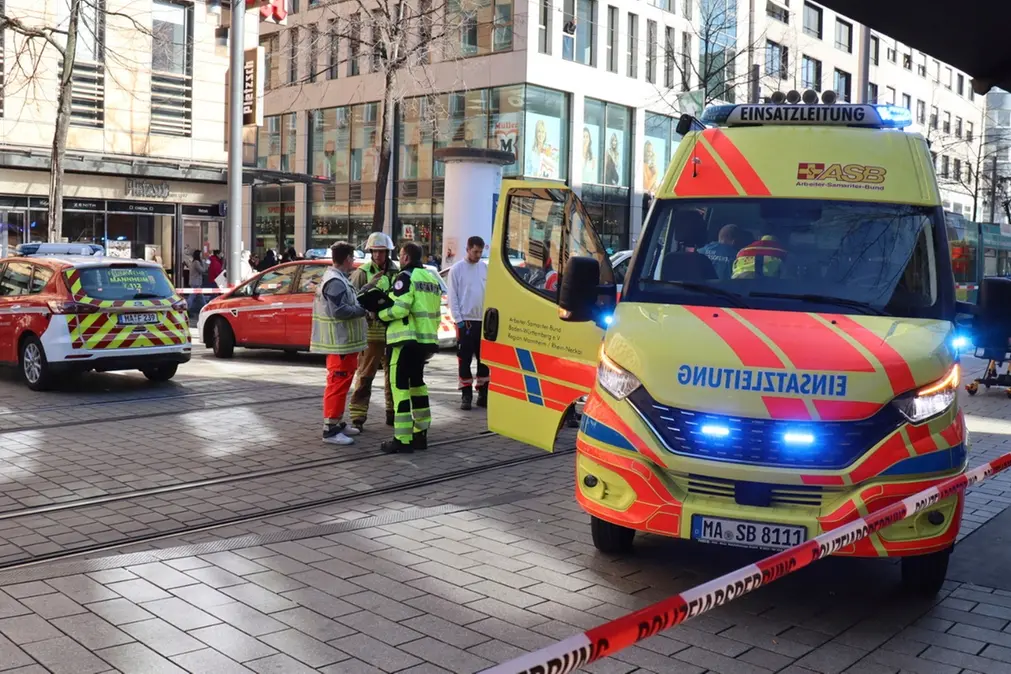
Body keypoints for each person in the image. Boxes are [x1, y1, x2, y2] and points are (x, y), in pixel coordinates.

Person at [377, 241, 442, 454]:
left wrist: (380, 313)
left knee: (400, 388)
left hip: (404, 341)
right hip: (425, 342)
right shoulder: (431, 279)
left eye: (400, 254)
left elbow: (401, 308)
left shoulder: (404, 277)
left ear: (405, 257)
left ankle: (402, 439)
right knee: (417, 387)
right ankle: (420, 434)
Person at [310, 241, 368, 446]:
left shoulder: (340, 278)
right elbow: (340, 311)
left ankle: (337, 422)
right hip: (339, 344)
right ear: (347, 259)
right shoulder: (335, 281)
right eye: (353, 258)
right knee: (337, 384)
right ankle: (330, 429)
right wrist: (364, 311)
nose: (354, 262)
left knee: (341, 384)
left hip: (344, 345)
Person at [348, 232, 398, 432]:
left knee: (393, 376)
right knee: (365, 376)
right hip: (371, 334)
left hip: (393, 332)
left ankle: (392, 412)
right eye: (375, 251)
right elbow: (352, 299)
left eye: (382, 251)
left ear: (387, 251)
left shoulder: (397, 272)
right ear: (370, 252)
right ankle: (358, 417)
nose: (378, 256)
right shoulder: (362, 272)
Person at [448, 236, 489, 410]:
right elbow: (453, 297)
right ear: (467, 249)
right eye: (475, 251)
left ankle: (483, 392)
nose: (478, 255)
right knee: (464, 360)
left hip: (483, 320)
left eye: (480, 252)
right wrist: (459, 320)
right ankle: (466, 394)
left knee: (484, 360)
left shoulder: (485, 268)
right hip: (466, 321)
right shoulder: (457, 269)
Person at [187, 250, 208, 317]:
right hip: (195, 283)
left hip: (195, 282)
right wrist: (204, 262)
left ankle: (206, 309)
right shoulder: (196, 262)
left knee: (201, 298)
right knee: (192, 297)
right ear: (198, 255)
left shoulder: (194, 262)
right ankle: (186, 309)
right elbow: (202, 270)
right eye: (201, 254)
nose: (202, 256)